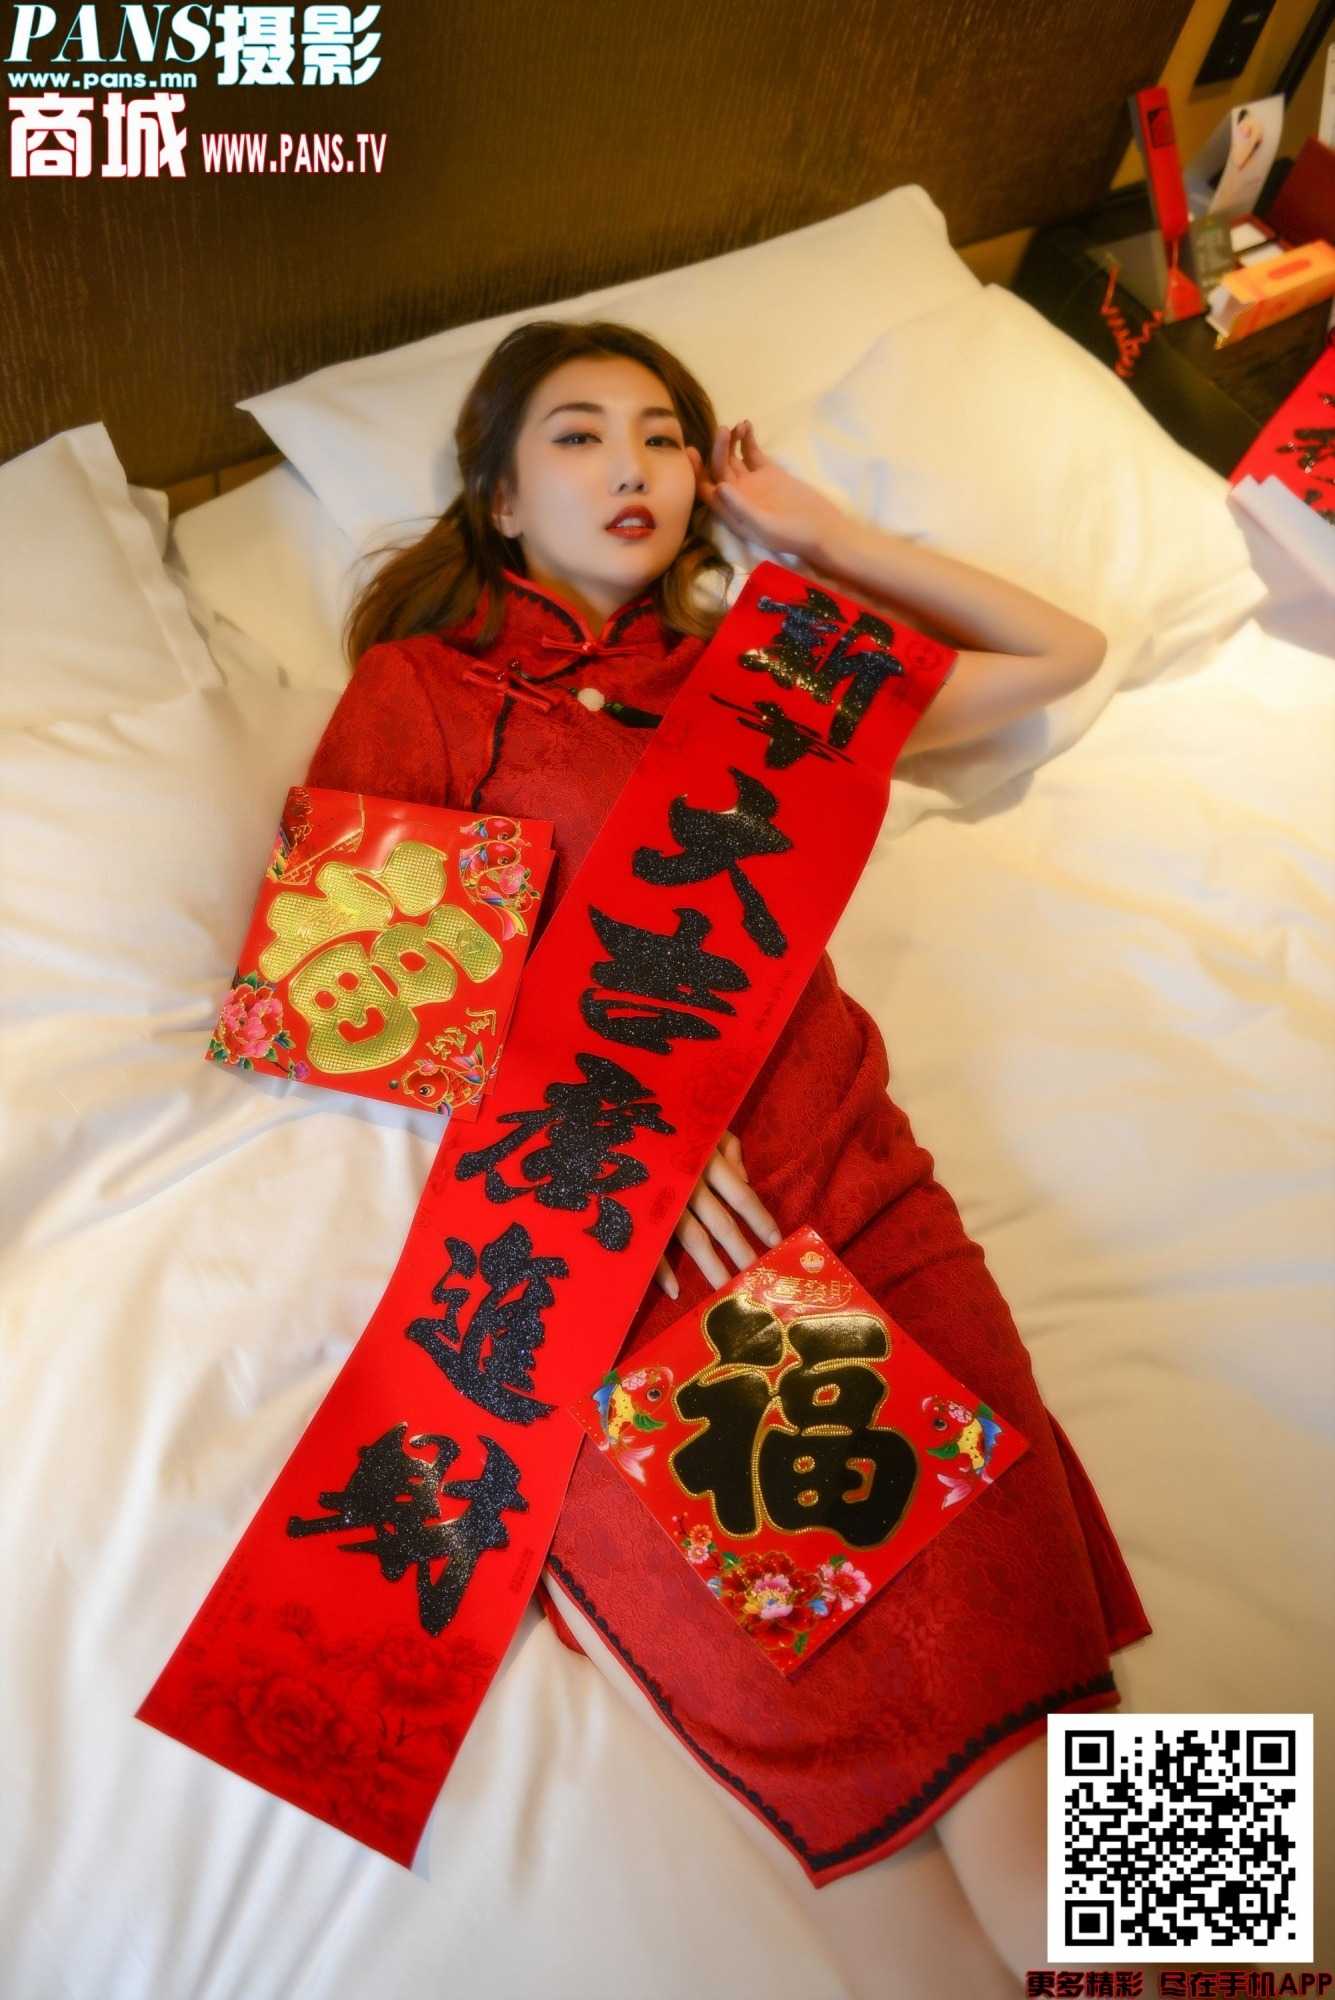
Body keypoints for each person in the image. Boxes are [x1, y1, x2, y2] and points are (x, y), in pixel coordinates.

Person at [304, 317, 1152, 1987]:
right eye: (578, 433)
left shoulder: (772, 671)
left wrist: (823, 535)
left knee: (1049, 1682)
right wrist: (621, 1111)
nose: (632, 465)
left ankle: (1219, 1962)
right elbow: (355, 999)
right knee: (928, 1723)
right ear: (496, 498)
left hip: (865, 1188)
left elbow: (1061, 650)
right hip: (654, 1252)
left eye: (664, 436)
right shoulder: (427, 693)